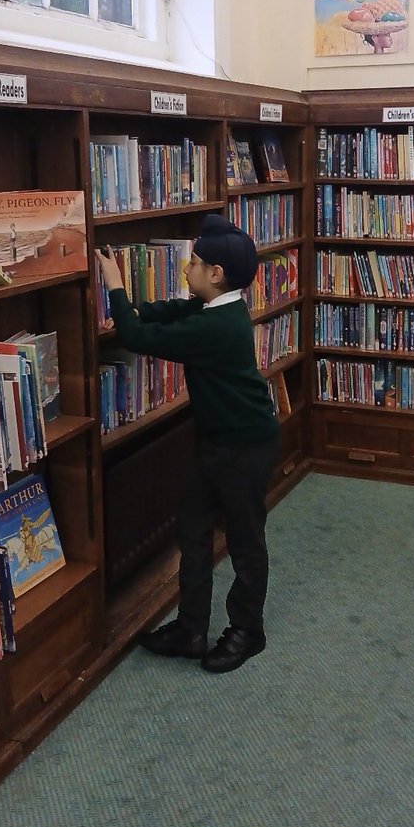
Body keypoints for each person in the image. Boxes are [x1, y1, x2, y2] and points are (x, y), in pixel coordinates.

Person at [95, 215, 280, 674]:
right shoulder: (215, 306)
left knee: (244, 540)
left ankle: (247, 631)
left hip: (244, 445)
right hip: (218, 441)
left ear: (215, 274)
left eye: (192, 262)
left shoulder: (218, 327)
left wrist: (115, 287)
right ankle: (191, 628)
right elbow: (173, 310)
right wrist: (139, 306)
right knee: (193, 530)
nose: (185, 268)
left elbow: (138, 338)